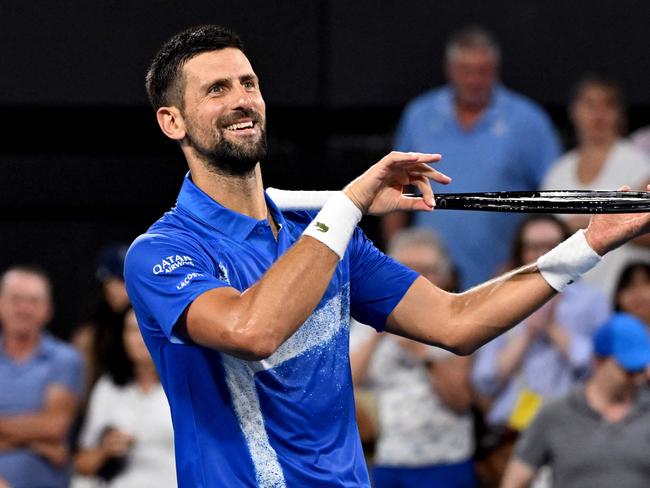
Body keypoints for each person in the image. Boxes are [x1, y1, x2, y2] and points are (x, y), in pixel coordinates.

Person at [123, 24, 650, 487]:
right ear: (173, 122)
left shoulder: (326, 233)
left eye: (249, 83)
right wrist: (350, 203)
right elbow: (253, 330)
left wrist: (587, 245)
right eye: (217, 89)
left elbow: (456, 322)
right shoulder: (162, 253)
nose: (242, 100)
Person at [384, 26, 561, 290]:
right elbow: (393, 188)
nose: (474, 80)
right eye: (465, 70)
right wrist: (394, 259)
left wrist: (525, 259)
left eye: (483, 71)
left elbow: (553, 200)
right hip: (428, 274)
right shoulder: (419, 116)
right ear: (449, 69)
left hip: (506, 275)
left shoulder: (529, 121)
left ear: (496, 70)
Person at [350, 229, 475, 487]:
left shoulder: (460, 321)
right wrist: (381, 326)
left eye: (427, 270)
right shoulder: (368, 321)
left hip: (445, 462)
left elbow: (461, 400)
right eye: (405, 268)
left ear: (444, 276)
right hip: (390, 460)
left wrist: (421, 352)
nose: (415, 279)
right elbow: (348, 378)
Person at [501, 313, 650, 488]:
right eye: (628, 370)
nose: (637, 378)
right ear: (599, 361)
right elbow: (514, 482)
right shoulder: (555, 415)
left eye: (640, 369)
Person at [541, 75, 650, 297]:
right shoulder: (557, 172)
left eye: (607, 105)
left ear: (619, 113)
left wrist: (593, 225)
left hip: (625, 299)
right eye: (590, 104)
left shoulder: (639, 164)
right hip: (570, 302)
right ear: (574, 111)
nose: (598, 115)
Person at [0, 265, 84, 488]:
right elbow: (46, 433)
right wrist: (37, 443)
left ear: (48, 309)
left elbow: (55, 426)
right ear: (1, 304)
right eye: (16, 299)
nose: (24, 309)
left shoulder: (65, 359)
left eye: (33, 301)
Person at [72, 308, 175, 488]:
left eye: (145, 328)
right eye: (132, 330)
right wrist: (105, 450)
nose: (139, 338)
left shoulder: (183, 385)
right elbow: (82, 463)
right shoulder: (108, 387)